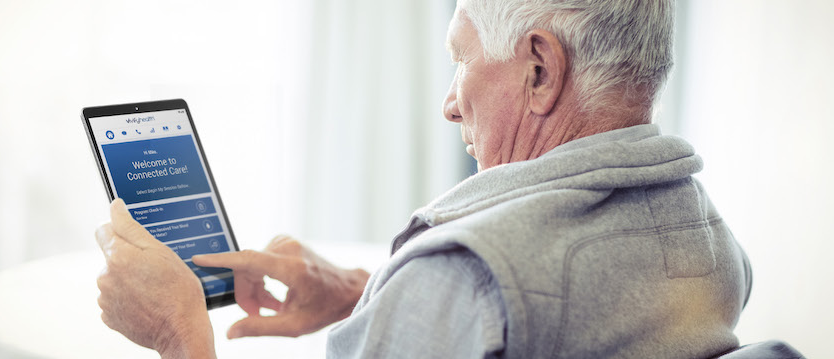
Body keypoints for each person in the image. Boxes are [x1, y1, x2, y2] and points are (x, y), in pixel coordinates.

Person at [96, 0, 752, 358]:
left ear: (541, 71)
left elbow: (483, 304)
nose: (449, 103)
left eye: (461, 59)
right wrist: (366, 292)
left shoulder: (464, 278)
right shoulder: (708, 239)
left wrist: (178, 333)